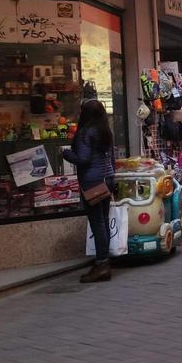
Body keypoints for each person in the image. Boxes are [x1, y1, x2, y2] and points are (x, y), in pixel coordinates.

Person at [64, 99, 116, 283]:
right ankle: (104, 262)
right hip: (106, 179)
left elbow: (83, 159)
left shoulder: (86, 133)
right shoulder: (105, 132)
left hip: (93, 182)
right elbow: (112, 158)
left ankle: (101, 264)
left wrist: (66, 154)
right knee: (104, 220)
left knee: (97, 223)